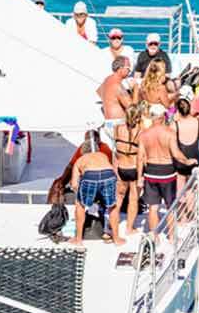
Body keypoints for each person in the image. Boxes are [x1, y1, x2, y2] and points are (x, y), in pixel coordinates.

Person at [70, 132, 122, 246]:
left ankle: (78, 240)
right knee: (112, 206)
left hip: (90, 175)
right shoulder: (103, 155)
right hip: (108, 174)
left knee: (80, 205)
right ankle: (117, 239)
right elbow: (114, 172)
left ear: (83, 151)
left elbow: (74, 185)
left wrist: (82, 194)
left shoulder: (80, 160)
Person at [138, 105, 179, 237]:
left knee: (153, 207)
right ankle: (172, 236)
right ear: (162, 117)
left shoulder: (144, 134)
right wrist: (187, 161)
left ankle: (154, 237)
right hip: (167, 172)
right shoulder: (170, 133)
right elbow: (176, 154)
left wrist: (139, 178)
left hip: (150, 171)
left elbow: (140, 158)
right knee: (170, 206)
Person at [114, 102, 144, 235]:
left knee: (118, 198)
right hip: (134, 168)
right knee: (133, 199)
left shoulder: (118, 128)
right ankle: (129, 228)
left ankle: (112, 226)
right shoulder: (141, 132)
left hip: (121, 167)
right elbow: (142, 157)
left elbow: (115, 151)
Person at [172, 97, 199, 193]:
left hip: (180, 160)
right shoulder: (198, 121)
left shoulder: (174, 125)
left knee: (180, 187)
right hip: (194, 159)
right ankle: (191, 208)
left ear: (178, 111)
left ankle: (180, 206)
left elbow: (171, 146)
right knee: (191, 190)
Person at [99, 57, 133, 124]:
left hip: (108, 123)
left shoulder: (107, 79)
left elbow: (100, 93)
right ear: (120, 68)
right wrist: (135, 89)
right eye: (128, 68)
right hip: (118, 124)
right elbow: (133, 109)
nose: (130, 71)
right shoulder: (118, 86)